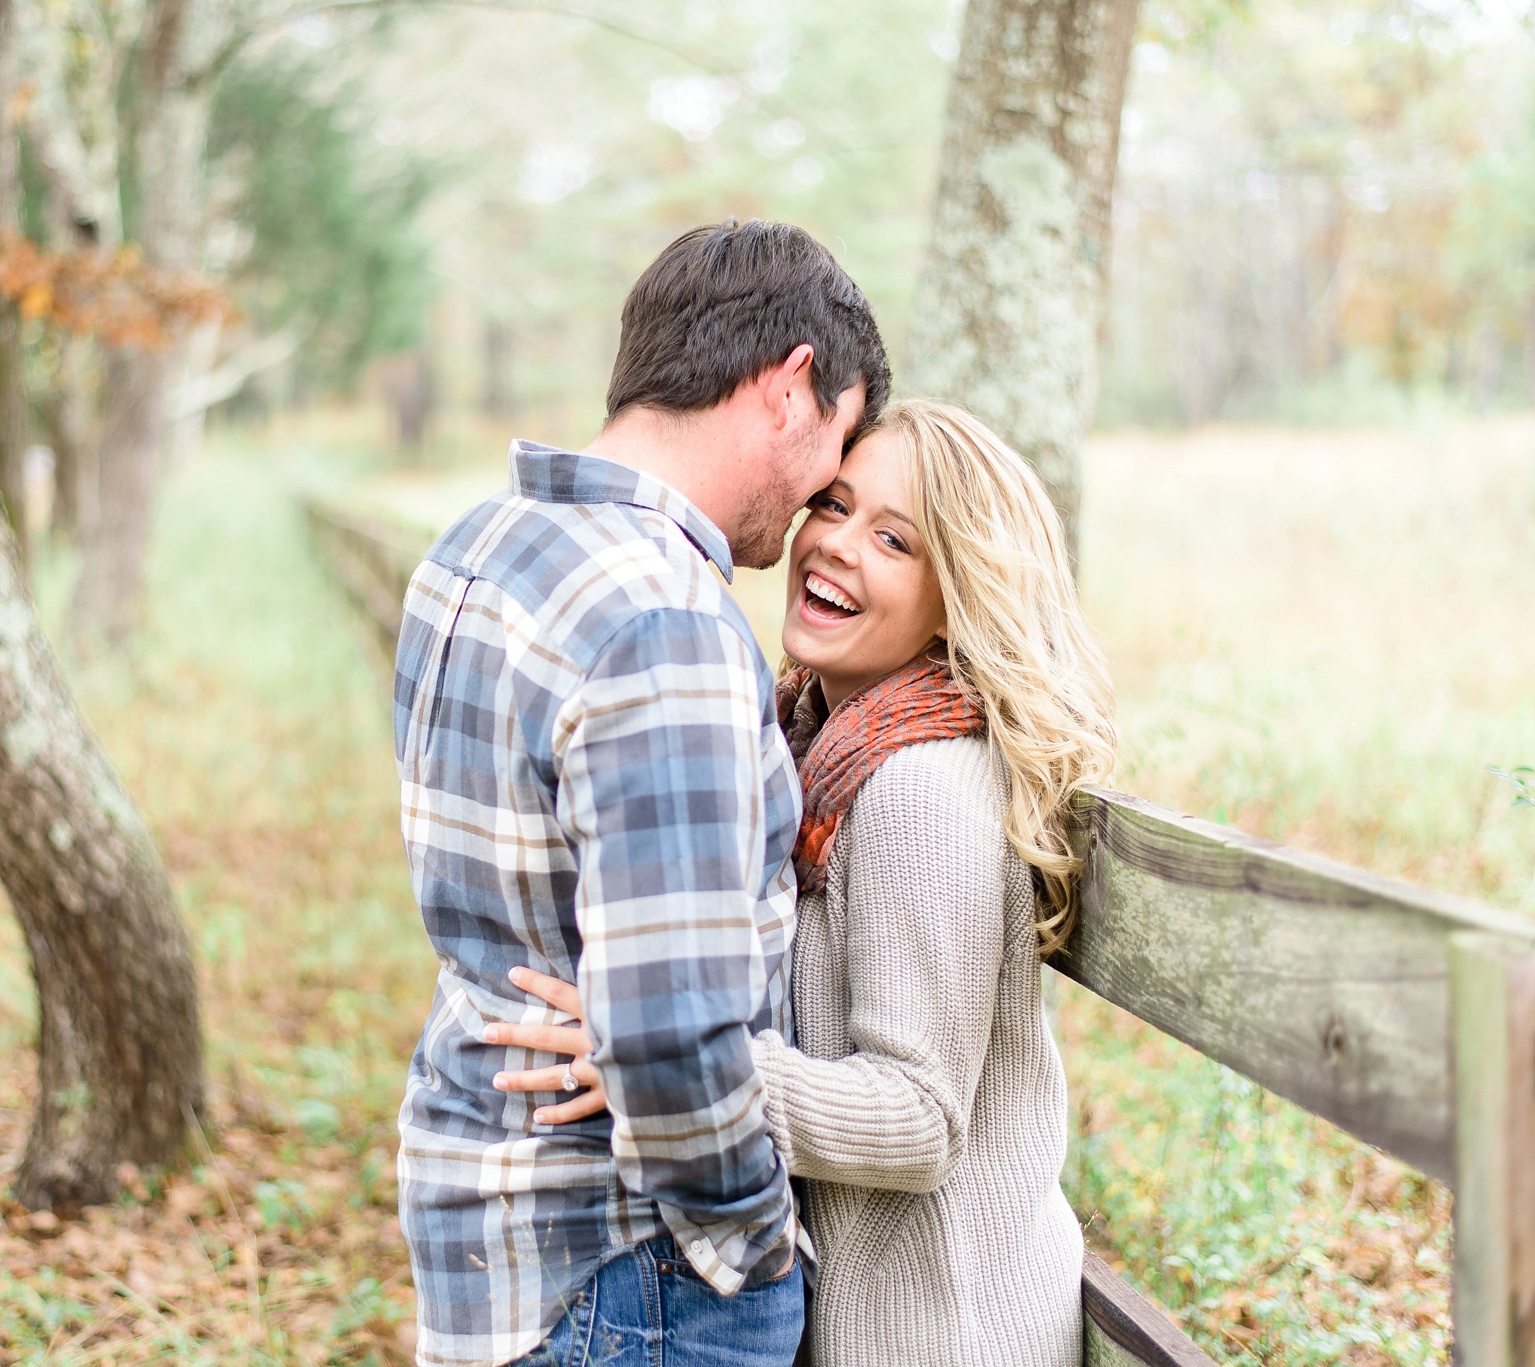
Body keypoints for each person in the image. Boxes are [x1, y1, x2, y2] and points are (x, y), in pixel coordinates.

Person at [491, 398, 1118, 1366]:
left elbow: (917, 1119)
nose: (834, 545)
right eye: (830, 505)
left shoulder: (918, 784)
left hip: (943, 1331)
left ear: (959, 591)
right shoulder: (810, 744)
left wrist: (659, 1063)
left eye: (893, 539)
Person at [392, 220, 890, 1367]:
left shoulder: (477, 548)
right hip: (636, 1260)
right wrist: (751, 1246)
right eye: (839, 443)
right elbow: (668, 1026)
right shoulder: (664, 616)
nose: (823, 487)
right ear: (790, 387)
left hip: (484, 1212)